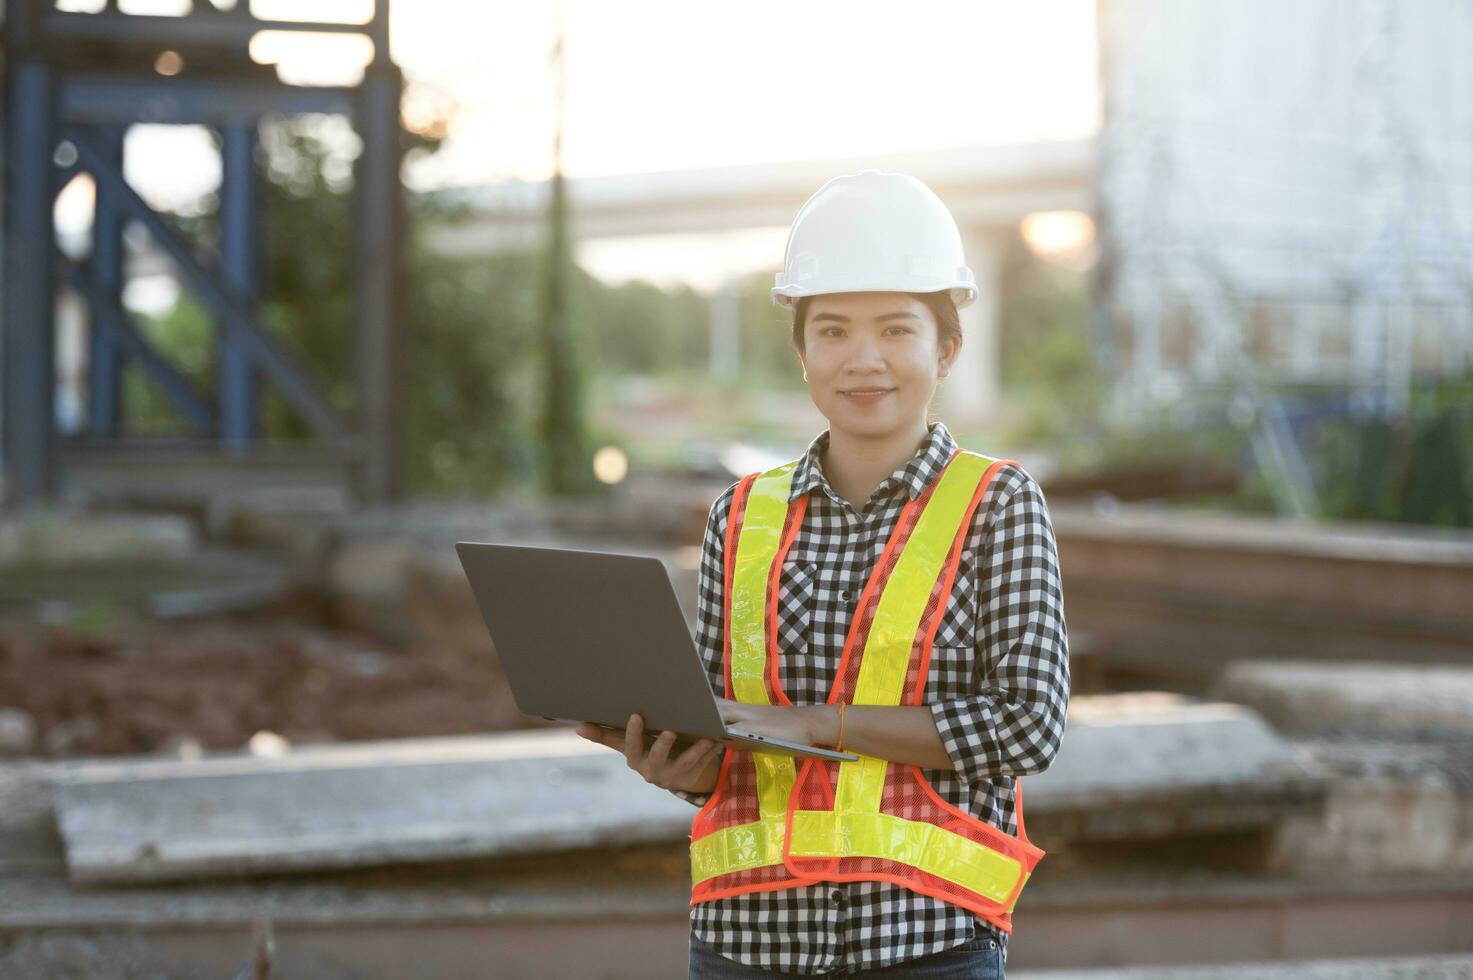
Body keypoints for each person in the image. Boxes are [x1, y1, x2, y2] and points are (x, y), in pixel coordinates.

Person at [577, 170, 1071, 978]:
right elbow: (728, 731)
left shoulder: (997, 505)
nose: (863, 359)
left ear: (945, 346)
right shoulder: (738, 517)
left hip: (927, 942)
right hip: (746, 940)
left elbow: (1027, 725)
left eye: (896, 329)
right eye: (833, 330)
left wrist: (814, 723)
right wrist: (679, 765)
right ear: (800, 349)